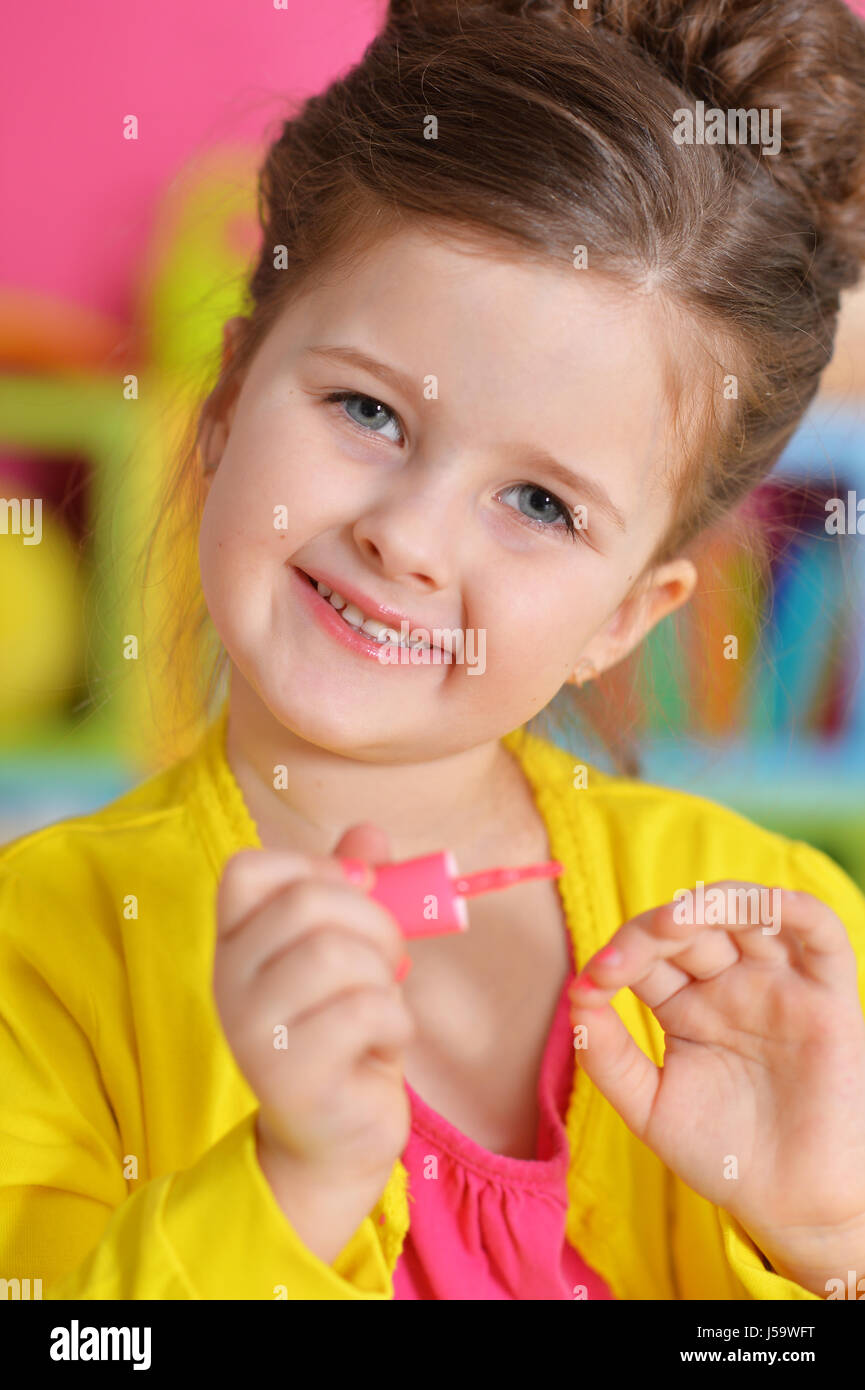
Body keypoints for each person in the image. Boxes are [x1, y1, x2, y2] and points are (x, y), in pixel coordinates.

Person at [3, 0, 865, 1301]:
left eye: (538, 505)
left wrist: (826, 1250)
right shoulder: (44, 953)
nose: (406, 538)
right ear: (229, 400)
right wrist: (289, 1188)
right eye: (366, 409)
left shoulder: (774, 940)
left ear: (627, 613)